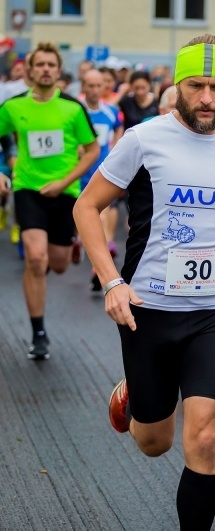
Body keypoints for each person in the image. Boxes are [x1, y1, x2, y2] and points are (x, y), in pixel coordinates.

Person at [73, 34, 215, 531]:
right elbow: (86, 207)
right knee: (155, 443)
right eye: (195, 85)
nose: (206, 99)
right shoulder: (143, 139)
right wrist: (112, 282)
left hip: (211, 312)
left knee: (205, 437)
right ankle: (136, 394)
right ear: (177, 84)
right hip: (147, 307)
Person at [0, 41, 100, 360]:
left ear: (58, 71)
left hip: (64, 193)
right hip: (28, 188)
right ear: (29, 70)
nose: (45, 69)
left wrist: (65, 182)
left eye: (50, 65)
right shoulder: (13, 107)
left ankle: (69, 246)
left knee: (56, 265)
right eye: (39, 64)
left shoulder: (72, 108)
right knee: (36, 258)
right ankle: (38, 332)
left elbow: (93, 149)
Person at [79, 69, 124, 290]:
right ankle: (81, 244)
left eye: (99, 86)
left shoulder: (111, 111)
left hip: (101, 172)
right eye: (91, 86)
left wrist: (115, 146)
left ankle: (99, 265)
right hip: (76, 172)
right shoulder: (76, 110)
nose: (95, 90)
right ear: (83, 87)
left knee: (102, 213)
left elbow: (118, 129)